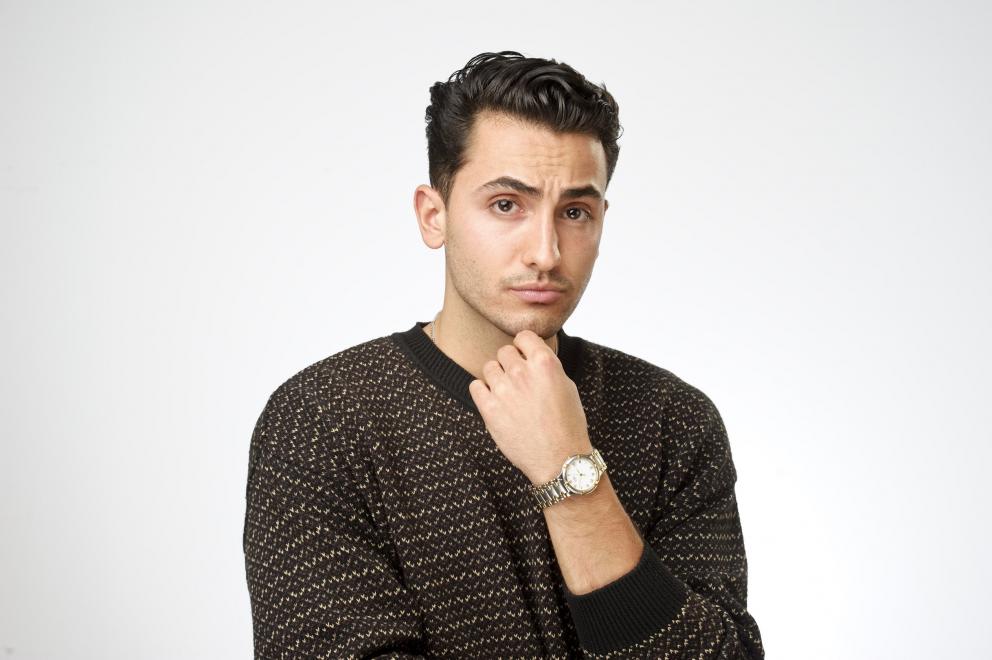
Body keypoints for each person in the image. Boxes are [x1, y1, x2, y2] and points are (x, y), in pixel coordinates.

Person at [243, 50, 764, 659]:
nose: (546, 252)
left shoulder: (672, 420)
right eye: (506, 205)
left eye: (575, 212)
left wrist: (569, 470)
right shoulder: (322, 420)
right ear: (433, 216)